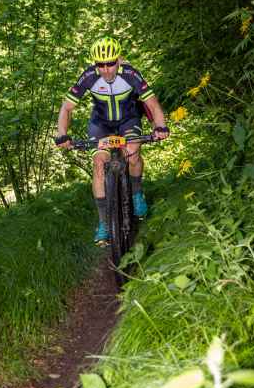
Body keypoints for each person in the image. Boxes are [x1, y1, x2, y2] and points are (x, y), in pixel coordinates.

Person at [55, 36, 169, 244]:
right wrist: (62, 134)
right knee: (99, 163)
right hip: (101, 124)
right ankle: (104, 223)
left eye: (110, 63)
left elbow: (152, 104)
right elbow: (67, 107)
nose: (106, 69)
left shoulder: (131, 74)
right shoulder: (89, 76)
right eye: (101, 65)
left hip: (128, 120)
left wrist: (160, 127)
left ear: (118, 60)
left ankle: (136, 193)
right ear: (95, 64)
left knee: (133, 153)